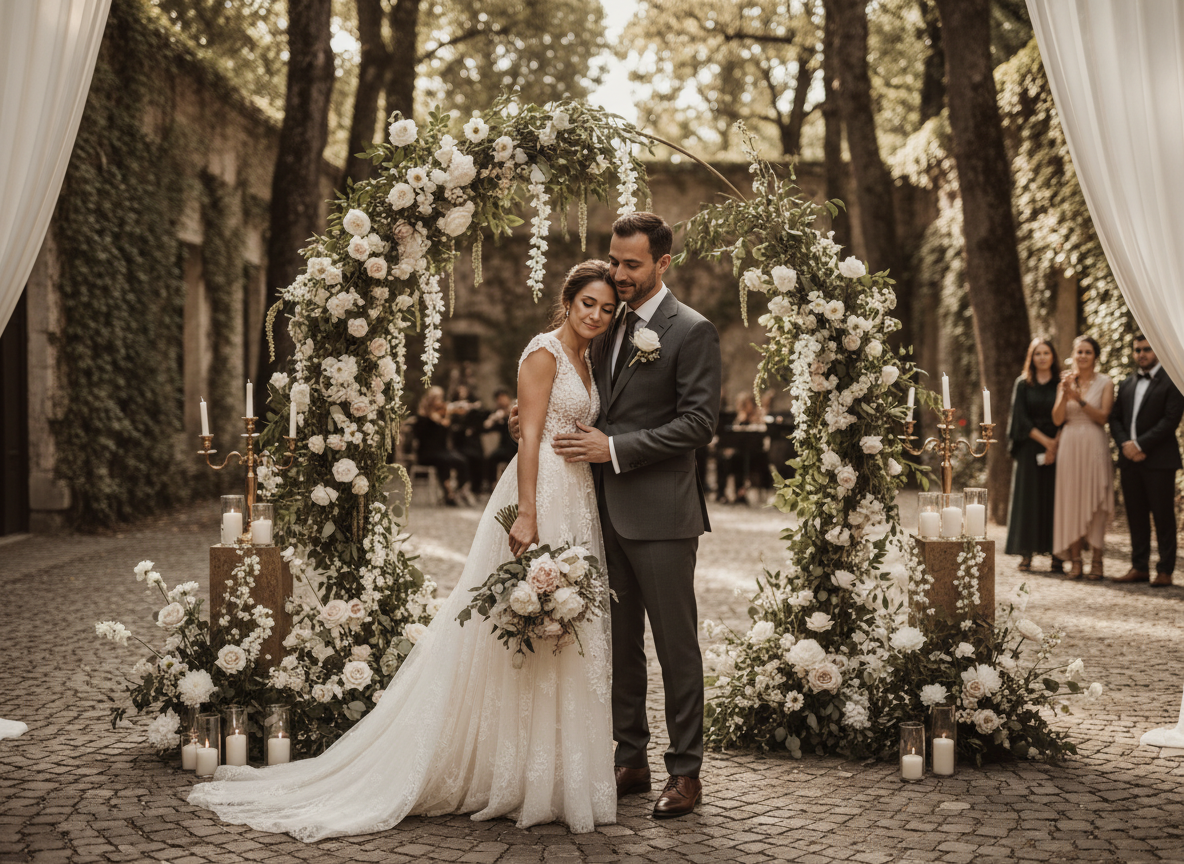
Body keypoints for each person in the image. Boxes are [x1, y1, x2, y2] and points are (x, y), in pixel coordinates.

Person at [188, 262, 621, 839]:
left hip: (579, 497)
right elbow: (532, 438)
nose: (596, 315)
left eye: (607, 308)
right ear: (566, 302)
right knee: (519, 622)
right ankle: (506, 770)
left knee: (562, 631)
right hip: (540, 494)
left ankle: (546, 772)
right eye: (587, 303)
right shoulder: (541, 353)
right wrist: (528, 513)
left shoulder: (589, 361)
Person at [549, 212, 722, 818]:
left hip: (664, 516)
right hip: (600, 511)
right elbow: (584, 398)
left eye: (632, 265)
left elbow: (699, 424)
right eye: (615, 261)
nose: (619, 275)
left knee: (676, 646)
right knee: (617, 643)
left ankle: (686, 771)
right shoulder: (604, 323)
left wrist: (615, 449)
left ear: (663, 264)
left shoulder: (691, 331)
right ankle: (630, 760)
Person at [1108, 334, 1184, 587]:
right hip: (1130, 461)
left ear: (1157, 351)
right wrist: (1126, 446)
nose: (1142, 354)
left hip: (1159, 460)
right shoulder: (1127, 383)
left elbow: (1170, 420)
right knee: (1135, 515)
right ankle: (1139, 567)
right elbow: (1115, 418)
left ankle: (1165, 570)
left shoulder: (1173, 380)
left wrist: (1140, 445)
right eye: (1138, 349)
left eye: (1147, 349)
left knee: (1163, 516)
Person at [1051, 335, 1115, 579]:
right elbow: (1057, 419)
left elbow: (1103, 417)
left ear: (1095, 357)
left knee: (1097, 499)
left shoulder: (1106, 382)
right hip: (1069, 443)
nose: (1083, 356)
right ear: (1073, 355)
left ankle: (1097, 560)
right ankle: (1075, 560)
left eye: (1088, 352)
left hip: (1094, 441)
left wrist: (1079, 399)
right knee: (1071, 499)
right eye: (1079, 352)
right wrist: (1064, 393)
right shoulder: (1066, 382)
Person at [1005, 338, 1063, 573]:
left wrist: (1055, 444)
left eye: (1046, 353)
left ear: (1053, 356)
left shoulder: (1061, 382)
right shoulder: (1022, 384)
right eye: (1037, 353)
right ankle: (1026, 552)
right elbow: (1020, 418)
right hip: (1030, 446)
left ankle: (1058, 554)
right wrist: (1046, 442)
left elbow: (1067, 414)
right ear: (1032, 357)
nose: (1042, 357)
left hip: (1059, 445)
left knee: (1055, 500)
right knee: (1028, 500)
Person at [414, 386, 470, 506]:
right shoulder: (422, 417)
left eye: (441, 399)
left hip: (441, 451)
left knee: (461, 460)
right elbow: (421, 437)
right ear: (430, 400)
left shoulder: (442, 415)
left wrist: (445, 418)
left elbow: (445, 436)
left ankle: (456, 491)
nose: (440, 402)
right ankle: (449, 493)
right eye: (437, 399)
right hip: (427, 453)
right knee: (445, 461)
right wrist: (431, 420)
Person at [447, 383, 488, 496]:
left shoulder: (474, 407)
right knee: (465, 457)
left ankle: (476, 487)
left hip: (472, 441)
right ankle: (464, 486)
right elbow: (452, 425)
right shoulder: (453, 408)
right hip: (459, 441)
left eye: (464, 391)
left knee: (477, 457)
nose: (462, 394)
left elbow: (480, 421)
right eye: (459, 391)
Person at [483, 388, 518, 489]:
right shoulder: (497, 413)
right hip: (505, 447)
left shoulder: (514, 407)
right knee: (491, 458)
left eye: (503, 398)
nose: (501, 401)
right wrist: (494, 419)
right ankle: (492, 485)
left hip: (516, 446)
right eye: (498, 399)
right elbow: (486, 427)